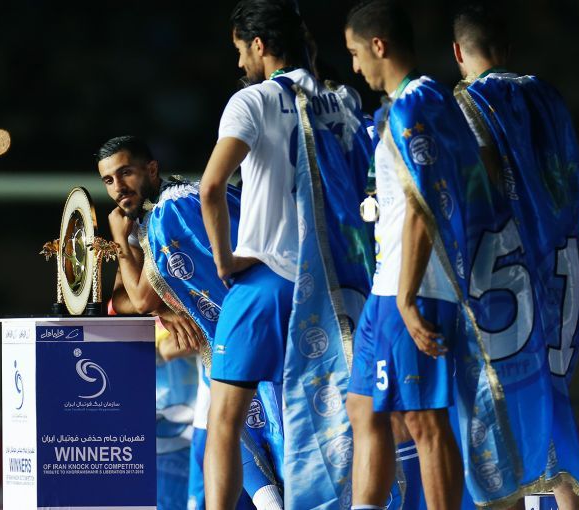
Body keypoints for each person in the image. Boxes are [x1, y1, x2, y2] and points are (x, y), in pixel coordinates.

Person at [200, 1, 374, 507]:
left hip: (269, 281)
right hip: (338, 287)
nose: (239, 62)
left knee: (225, 420)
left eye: (240, 50)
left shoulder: (252, 100)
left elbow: (211, 188)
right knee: (346, 421)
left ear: (259, 45)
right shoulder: (343, 99)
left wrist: (225, 260)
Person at [451, 3, 579, 508]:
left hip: (510, 278)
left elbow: (484, 178)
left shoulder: (468, 104)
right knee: (550, 403)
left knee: (502, 413)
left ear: (457, 52)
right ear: (506, 49)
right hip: (564, 266)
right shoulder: (547, 96)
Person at [96, 135, 284, 510]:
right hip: (227, 353)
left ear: (151, 169)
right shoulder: (156, 215)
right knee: (238, 444)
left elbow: (140, 297)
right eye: (109, 180)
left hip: (255, 344)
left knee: (254, 445)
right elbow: (122, 300)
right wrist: (165, 308)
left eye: (126, 173)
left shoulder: (172, 212)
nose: (118, 188)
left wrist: (120, 241)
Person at [343, 2, 465, 509]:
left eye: (355, 53)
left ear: (379, 45)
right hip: (385, 284)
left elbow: (424, 204)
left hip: (415, 286)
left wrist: (408, 297)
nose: (354, 67)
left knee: (423, 420)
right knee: (362, 407)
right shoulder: (407, 106)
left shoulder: (418, 104)